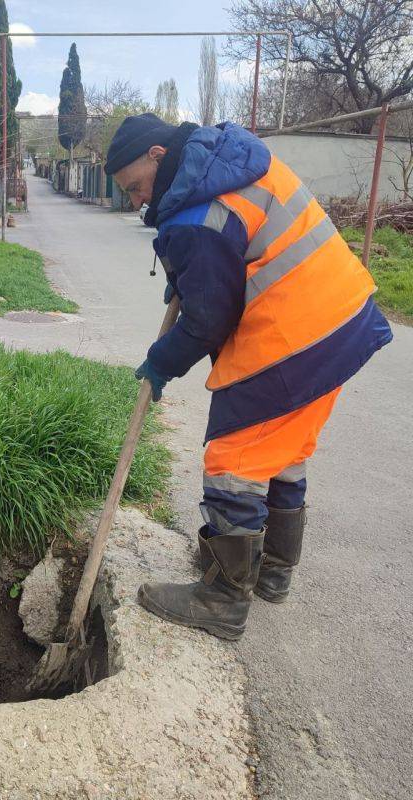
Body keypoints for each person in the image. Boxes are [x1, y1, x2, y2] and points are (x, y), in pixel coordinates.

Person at [104, 114, 392, 640]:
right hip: (343, 319)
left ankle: (223, 600)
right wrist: (194, 276)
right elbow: (239, 249)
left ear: (158, 156)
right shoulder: (229, 161)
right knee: (281, 451)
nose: (137, 200)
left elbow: (207, 321)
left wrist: (163, 360)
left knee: (233, 461)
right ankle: (271, 572)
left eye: (135, 186)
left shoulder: (196, 216)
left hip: (294, 339)